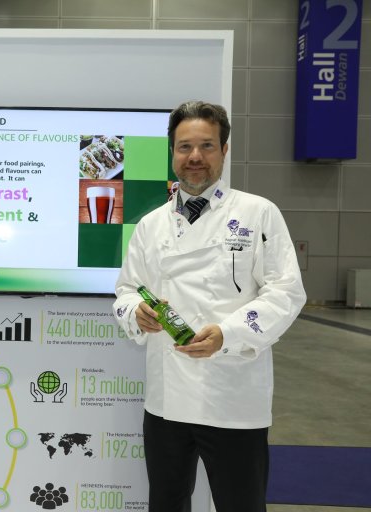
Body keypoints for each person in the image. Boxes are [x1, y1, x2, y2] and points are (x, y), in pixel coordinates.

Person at [112, 101, 306, 512]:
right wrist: (135, 312)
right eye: (185, 147)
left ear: (224, 150)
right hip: (167, 401)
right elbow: (127, 290)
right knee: (167, 503)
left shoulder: (257, 213)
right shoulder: (151, 225)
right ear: (172, 152)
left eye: (207, 146)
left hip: (233, 394)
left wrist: (227, 334)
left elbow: (286, 291)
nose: (195, 157)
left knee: (241, 505)